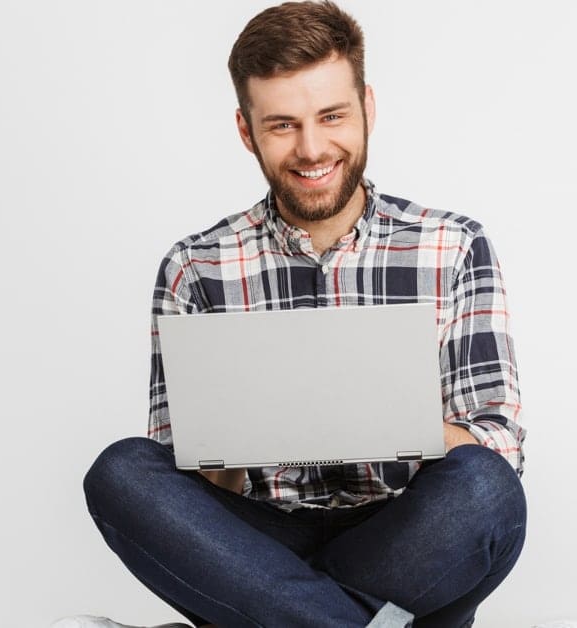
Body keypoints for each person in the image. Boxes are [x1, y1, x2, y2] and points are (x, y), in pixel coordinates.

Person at [65, 2, 527, 627]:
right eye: (282, 125)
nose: (312, 149)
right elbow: (186, 485)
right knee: (121, 473)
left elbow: (497, 442)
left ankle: (277, 616)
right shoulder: (195, 266)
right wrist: (232, 440)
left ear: (368, 107)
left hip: (406, 536)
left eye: (331, 116)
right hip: (256, 543)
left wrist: (386, 417)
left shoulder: (454, 245)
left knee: (484, 487)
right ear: (245, 130)